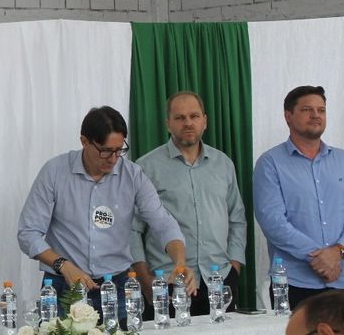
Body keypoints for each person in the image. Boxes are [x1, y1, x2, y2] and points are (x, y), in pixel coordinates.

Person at [17, 106, 195, 320]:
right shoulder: (55, 172)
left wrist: (180, 262)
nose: (113, 158)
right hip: (65, 285)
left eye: (119, 150)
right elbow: (28, 233)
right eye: (106, 150)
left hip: (117, 287)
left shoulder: (132, 175)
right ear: (84, 142)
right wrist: (62, 265)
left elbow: (163, 223)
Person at [131, 91, 247, 317]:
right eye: (180, 117)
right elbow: (132, 229)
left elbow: (237, 219)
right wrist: (145, 280)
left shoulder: (223, 164)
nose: (188, 123)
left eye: (194, 116)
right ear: (168, 124)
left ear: (205, 121)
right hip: (168, 284)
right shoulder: (146, 167)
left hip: (219, 281)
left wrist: (234, 268)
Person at [255, 86, 344, 308]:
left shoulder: (342, 160)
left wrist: (338, 251)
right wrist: (319, 257)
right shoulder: (270, 163)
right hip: (293, 283)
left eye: (321, 110)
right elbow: (273, 222)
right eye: (307, 109)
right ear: (288, 116)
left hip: (341, 278)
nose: (315, 115)